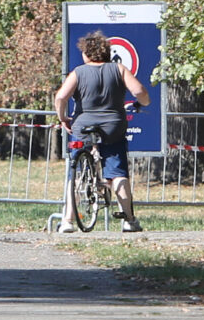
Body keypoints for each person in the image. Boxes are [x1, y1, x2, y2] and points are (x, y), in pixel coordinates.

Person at [53, 31, 151, 233]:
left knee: (77, 174)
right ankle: (129, 220)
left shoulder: (78, 72)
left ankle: (68, 221)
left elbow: (61, 97)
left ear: (86, 54)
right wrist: (144, 103)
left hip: (82, 124)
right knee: (117, 172)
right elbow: (140, 91)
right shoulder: (119, 69)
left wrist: (63, 117)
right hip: (113, 126)